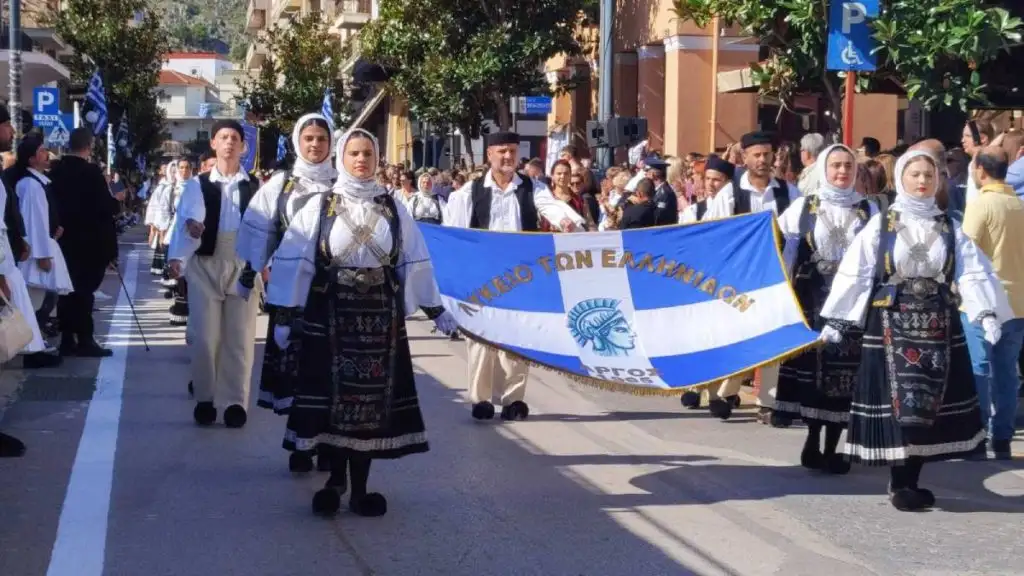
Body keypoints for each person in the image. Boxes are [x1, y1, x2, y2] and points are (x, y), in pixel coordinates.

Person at [267, 128, 456, 516]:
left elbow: (413, 261)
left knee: (373, 406)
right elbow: (295, 261)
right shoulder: (320, 205)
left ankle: (361, 490)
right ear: (342, 156)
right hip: (330, 317)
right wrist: (285, 316)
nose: (360, 160)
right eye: (353, 152)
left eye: (368, 153)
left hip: (380, 322)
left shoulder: (393, 206)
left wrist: (437, 311)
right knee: (334, 404)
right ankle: (336, 481)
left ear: (376, 158)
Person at [820, 150, 1009, 511]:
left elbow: (970, 271)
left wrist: (986, 312)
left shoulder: (951, 226)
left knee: (928, 403)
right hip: (891, 321)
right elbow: (856, 273)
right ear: (902, 179)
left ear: (938, 181)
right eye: (915, 175)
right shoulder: (882, 224)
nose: (922, 181)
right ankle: (899, 480)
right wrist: (837, 321)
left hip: (938, 323)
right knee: (898, 405)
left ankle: (911, 479)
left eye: (928, 175)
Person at [444, 131, 585, 421]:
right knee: (481, 340)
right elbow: (454, 234)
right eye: (501, 152)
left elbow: (552, 207)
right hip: (483, 277)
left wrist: (568, 222)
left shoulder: (532, 188)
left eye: (511, 151)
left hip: (521, 278)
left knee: (517, 338)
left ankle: (514, 400)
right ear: (490, 155)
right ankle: (481, 399)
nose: (507, 157)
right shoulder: (469, 192)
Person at [237, 113, 336, 467]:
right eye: (308, 138)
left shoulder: (345, 183)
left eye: (321, 139)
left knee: (330, 368)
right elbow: (259, 232)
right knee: (298, 368)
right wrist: (249, 272)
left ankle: (329, 443)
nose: (314, 145)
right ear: (298, 141)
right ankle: (300, 442)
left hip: (335, 291)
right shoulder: (280, 185)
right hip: (291, 290)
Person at [772, 144, 876, 473]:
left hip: (852, 305)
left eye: (848, 166)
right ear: (824, 169)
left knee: (843, 376)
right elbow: (784, 252)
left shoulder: (869, 210)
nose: (842, 172)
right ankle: (812, 440)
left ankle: (833, 447)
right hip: (812, 299)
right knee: (814, 375)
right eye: (836, 166)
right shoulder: (804, 207)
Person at [699, 131, 802, 422]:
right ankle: (726, 389)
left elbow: (797, 235)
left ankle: (767, 401)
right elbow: (713, 232)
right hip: (739, 279)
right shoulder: (730, 193)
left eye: (767, 154)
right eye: (756, 154)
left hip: (777, 277)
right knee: (740, 336)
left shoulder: (788, 192)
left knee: (773, 337)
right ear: (744, 158)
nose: (762, 160)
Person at [167, 119, 263, 428]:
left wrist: (266, 266)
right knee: (204, 337)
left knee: (240, 337)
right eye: (224, 137)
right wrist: (180, 254)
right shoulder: (199, 184)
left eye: (235, 137)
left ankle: (235, 401)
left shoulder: (255, 186)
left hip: (242, 264)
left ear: (243, 146)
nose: (230, 142)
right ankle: (206, 398)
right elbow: (188, 216)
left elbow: (266, 228)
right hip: (206, 262)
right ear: (214, 144)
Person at [960, 146, 1024, 459]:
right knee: (1007, 371)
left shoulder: (980, 205)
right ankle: (1002, 437)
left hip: (982, 300)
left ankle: (979, 432)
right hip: (1018, 302)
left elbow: (966, 252)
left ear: (980, 171)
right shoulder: (1019, 204)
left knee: (980, 369)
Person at [51, 128, 119, 357]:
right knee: (84, 292)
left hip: (63, 240)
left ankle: (67, 338)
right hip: (90, 243)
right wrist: (116, 202)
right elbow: (104, 208)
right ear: (89, 146)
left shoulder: (56, 171)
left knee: (66, 292)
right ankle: (85, 339)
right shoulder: (91, 173)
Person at [13, 134, 74, 359]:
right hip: (37, 251)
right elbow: (33, 220)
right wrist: (42, 254)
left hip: (44, 245)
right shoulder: (30, 185)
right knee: (40, 298)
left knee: (46, 296)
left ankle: (36, 338)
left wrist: (53, 228)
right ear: (30, 159)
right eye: (40, 151)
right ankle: (32, 342)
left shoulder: (36, 182)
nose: (46, 153)